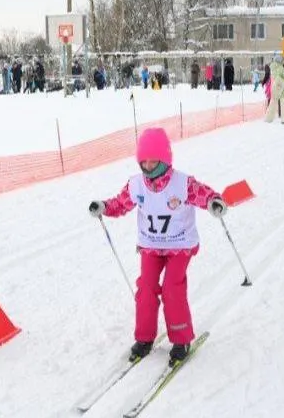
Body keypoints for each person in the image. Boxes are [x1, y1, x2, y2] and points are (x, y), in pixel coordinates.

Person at [87, 128, 229, 365]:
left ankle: (181, 339)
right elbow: (120, 204)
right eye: (144, 161)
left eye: (154, 161)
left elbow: (204, 194)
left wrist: (214, 202)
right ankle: (144, 338)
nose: (148, 166)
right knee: (146, 287)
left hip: (179, 245)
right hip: (151, 246)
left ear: (165, 159)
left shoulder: (182, 183)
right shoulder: (136, 185)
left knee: (172, 288)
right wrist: (103, 206)